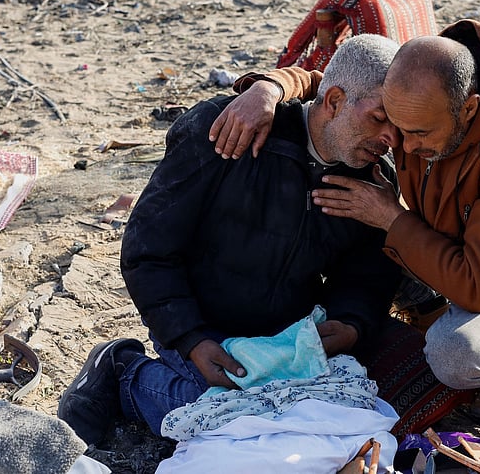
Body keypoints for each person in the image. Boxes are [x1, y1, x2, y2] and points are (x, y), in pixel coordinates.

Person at [208, 19, 480, 421]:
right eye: (394, 124)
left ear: (468, 108)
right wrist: (268, 89)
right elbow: (331, 83)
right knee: (356, 239)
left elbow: (477, 287)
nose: (402, 144)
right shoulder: (422, 79)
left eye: (418, 133)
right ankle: (430, 309)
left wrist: (390, 217)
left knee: (456, 353)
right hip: (447, 242)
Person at [56, 34, 404, 446]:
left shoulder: (371, 175)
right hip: (201, 324)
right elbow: (147, 251)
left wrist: (350, 323)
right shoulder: (228, 130)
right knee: (223, 417)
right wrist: (191, 339)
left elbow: (367, 272)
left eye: (397, 126)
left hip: (287, 339)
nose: (392, 140)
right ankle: (123, 371)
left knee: (325, 418)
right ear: (333, 102)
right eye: (379, 119)